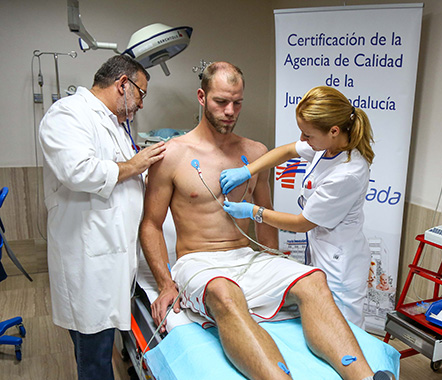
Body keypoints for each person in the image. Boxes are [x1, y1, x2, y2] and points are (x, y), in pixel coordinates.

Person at [139, 62, 393, 380]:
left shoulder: (254, 152)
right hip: (200, 261)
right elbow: (150, 223)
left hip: (248, 257)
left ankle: (366, 378)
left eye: (238, 102)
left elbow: (267, 216)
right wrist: (164, 284)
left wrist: (272, 258)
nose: (230, 110)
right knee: (224, 292)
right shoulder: (172, 155)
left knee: (313, 280)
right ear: (202, 97)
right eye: (221, 101)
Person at [39, 54, 166, 379]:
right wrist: (137, 166)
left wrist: (142, 177)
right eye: (141, 93)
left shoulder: (113, 124)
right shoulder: (67, 114)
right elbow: (79, 171)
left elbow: (121, 176)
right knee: (94, 360)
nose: (140, 104)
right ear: (123, 83)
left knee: (99, 348)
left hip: (111, 259)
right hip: (89, 262)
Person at [220, 85, 374, 328]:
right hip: (321, 250)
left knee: (344, 331)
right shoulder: (327, 146)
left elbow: (302, 223)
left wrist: (253, 212)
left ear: (334, 130)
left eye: (307, 134)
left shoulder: (348, 173)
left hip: (340, 266)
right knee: (321, 322)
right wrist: (248, 170)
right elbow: (288, 150)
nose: (303, 140)